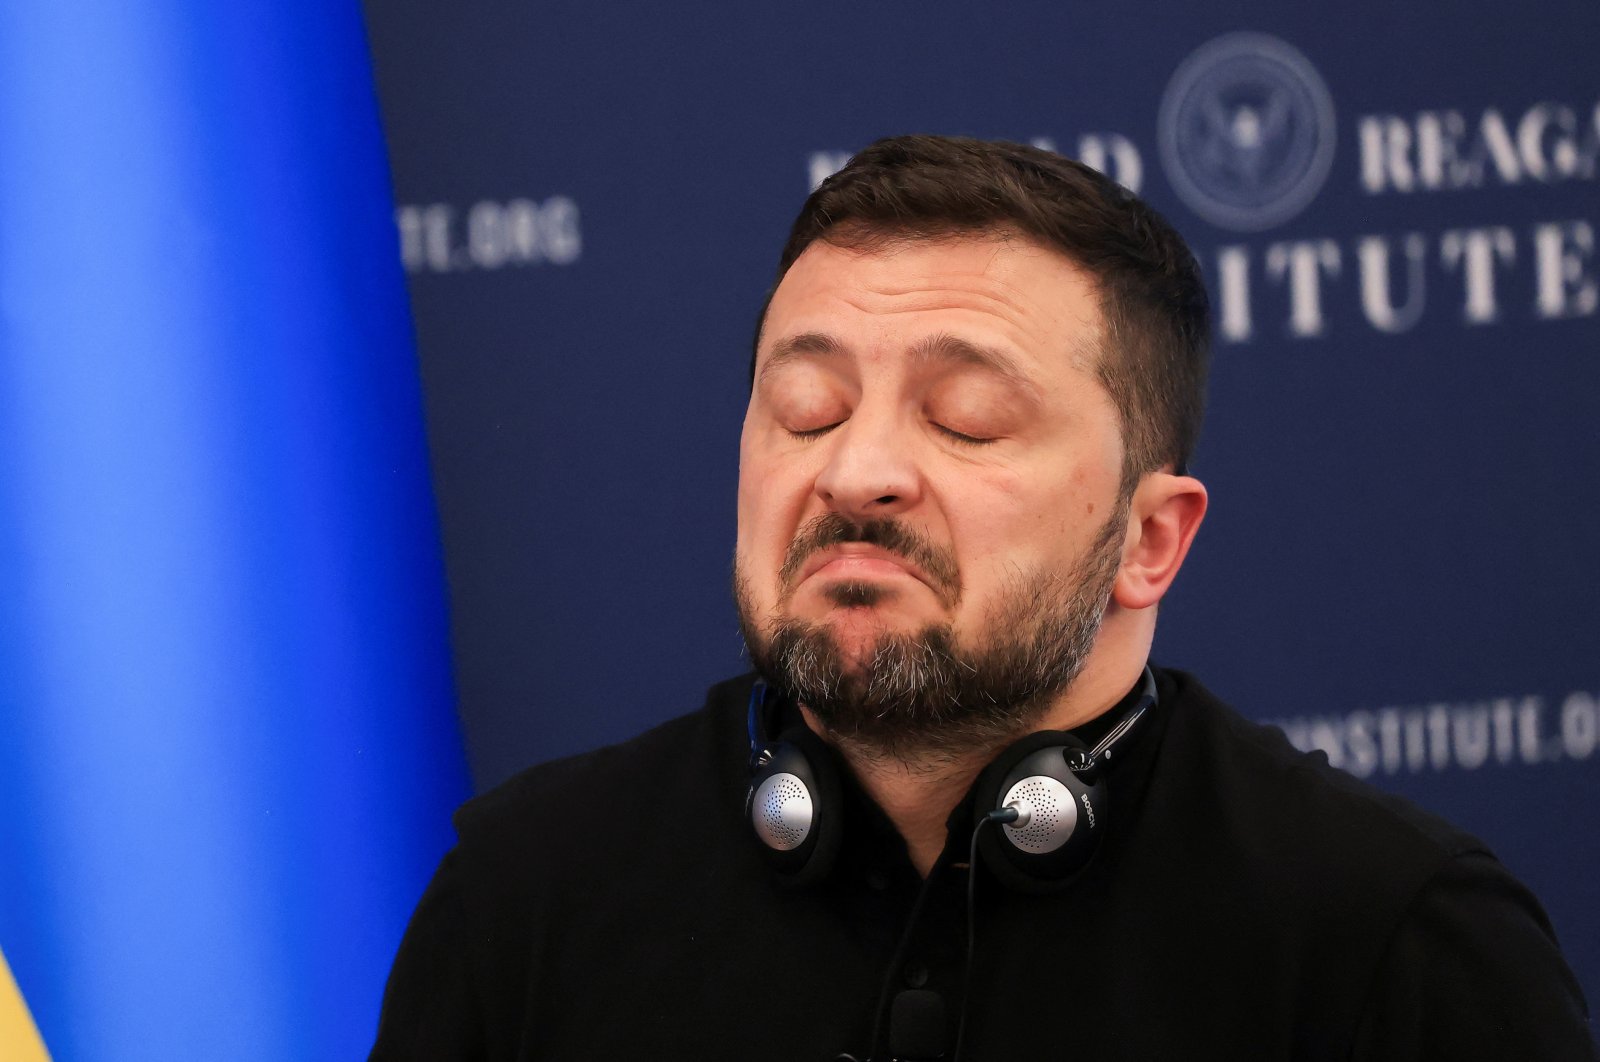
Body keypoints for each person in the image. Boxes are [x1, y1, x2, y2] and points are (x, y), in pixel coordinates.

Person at [371, 136, 1596, 1061]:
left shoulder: (1390, 940)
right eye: (807, 411)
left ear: (1148, 537)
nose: (855, 471)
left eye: (964, 421)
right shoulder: (524, 900)